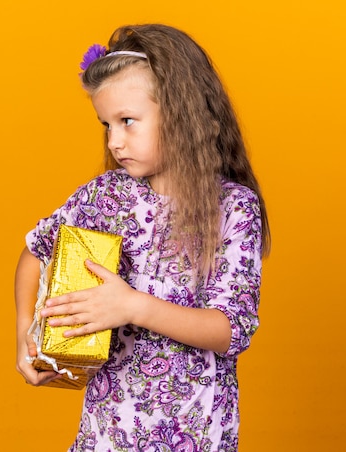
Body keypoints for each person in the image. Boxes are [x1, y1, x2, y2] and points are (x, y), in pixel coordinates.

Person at [15, 23, 270, 451]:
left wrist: (132, 305)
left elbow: (232, 329)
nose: (114, 140)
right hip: (107, 432)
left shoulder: (233, 209)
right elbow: (34, 253)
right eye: (106, 125)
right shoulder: (106, 195)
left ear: (181, 112)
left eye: (127, 121)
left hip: (196, 432)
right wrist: (27, 334)